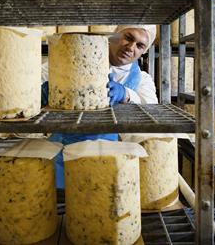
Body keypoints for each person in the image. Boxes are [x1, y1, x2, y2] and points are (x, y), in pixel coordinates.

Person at [41, 25, 158, 189]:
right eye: (128, 38)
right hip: (61, 150)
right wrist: (43, 93)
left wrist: (126, 94)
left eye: (139, 46)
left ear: (143, 51)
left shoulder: (142, 79)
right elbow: (28, 93)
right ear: (114, 36)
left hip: (106, 154)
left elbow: (152, 108)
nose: (131, 48)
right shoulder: (65, 61)